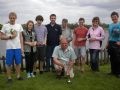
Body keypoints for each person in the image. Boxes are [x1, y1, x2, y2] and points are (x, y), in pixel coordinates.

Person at [0, 12, 24, 83]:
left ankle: (18, 76)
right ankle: (9, 78)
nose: (12, 19)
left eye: (13, 18)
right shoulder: (5, 26)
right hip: (9, 48)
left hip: (18, 47)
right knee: (8, 64)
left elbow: (21, 37)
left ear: (15, 18)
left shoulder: (19, 25)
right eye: (11, 18)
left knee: (18, 63)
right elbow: (1, 37)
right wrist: (10, 36)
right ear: (9, 18)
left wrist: (22, 47)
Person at [107, 11, 120, 78]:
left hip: (117, 43)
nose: (114, 18)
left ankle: (118, 73)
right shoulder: (110, 25)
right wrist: (107, 43)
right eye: (112, 17)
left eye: (115, 17)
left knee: (117, 59)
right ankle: (113, 71)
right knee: (111, 58)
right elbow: (109, 35)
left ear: (117, 17)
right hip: (111, 42)